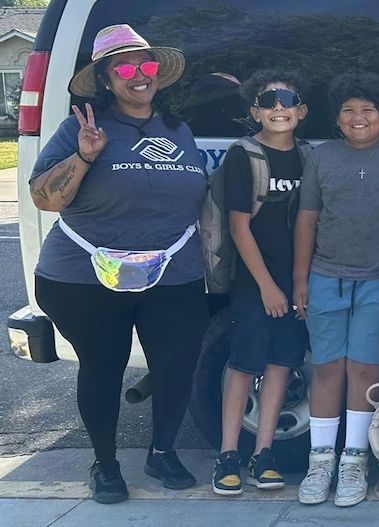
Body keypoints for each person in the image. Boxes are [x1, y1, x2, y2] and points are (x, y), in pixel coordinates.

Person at [28, 24, 207, 504]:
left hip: (175, 273)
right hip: (85, 275)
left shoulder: (179, 130)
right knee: (103, 367)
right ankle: (105, 464)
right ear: (106, 79)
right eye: (125, 67)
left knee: (176, 367)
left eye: (146, 64)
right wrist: (85, 158)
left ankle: (163, 452)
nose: (139, 75)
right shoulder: (80, 128)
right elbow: (43, 197)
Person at [292, 72, 379, 507]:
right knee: (325, 368)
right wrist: (301, 279)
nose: (358, 118)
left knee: (365, 371)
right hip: (326, 276)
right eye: (348, 111)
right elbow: (307, 218)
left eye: (368, 110)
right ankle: (321, 459)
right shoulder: (320, 157)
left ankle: (354, 459)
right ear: (337, 119)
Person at [211, 70, 310, 496]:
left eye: (287, 100)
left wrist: (296, 285)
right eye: (268, 101)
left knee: (281, 365)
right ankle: (229, 453)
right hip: (255, 282)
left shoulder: (308, 158)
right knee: (244, 364)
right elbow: (239, 228)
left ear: (302, 111)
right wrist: (268, 286)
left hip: (295, 283)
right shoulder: (243, 156)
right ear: (254, 111)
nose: (278, 108)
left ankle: (263, 453)